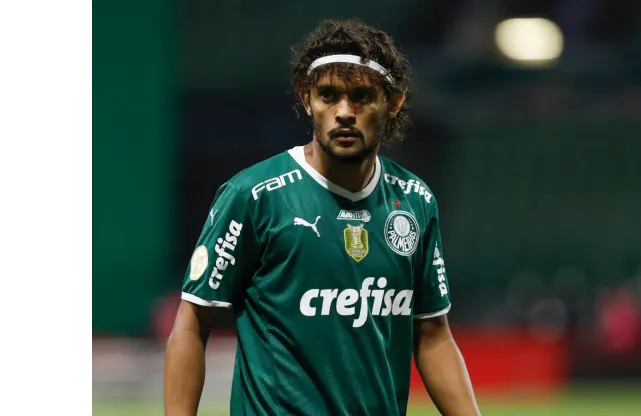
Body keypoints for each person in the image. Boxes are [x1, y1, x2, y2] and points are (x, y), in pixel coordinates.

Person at [164, 18, 481, 416]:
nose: (344, 112)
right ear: (307, 99)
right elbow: (193, 322)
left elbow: (432, 335)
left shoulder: (415, 201)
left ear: (393, 102)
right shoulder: (253, 196)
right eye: (329, 95)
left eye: (362, 96)